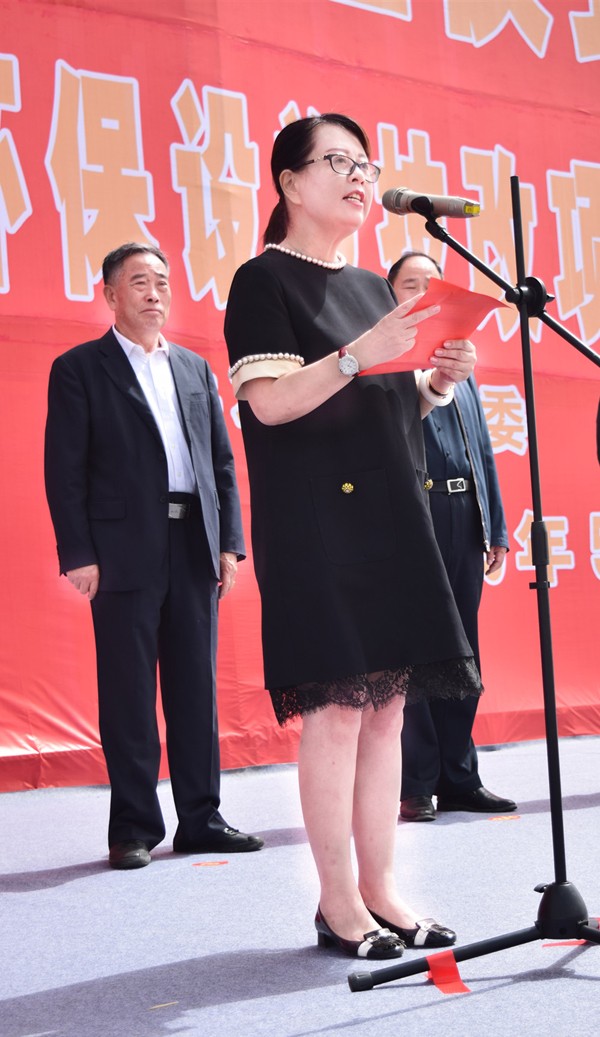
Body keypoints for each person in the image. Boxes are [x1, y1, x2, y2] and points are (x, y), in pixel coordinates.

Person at [224, 114, 482, 960]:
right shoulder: (263, 281)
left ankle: (384, 891)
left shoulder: (375, 285)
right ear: (290, 182)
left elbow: (385, 410)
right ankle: (338, 904)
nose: (360, 178)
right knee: (337, 709)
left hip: (390, 518)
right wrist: (357, 354)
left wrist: (434, 384)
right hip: (317, 525)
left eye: (366, 165)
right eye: (338, 161)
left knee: (388, 710)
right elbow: (270, 404)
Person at [44, 242, 263, 869]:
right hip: (121, 550)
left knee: (196, 689)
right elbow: (64, 469)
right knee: (129, 692)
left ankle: (201, 818)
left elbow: (221, 462)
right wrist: (79, 553)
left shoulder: (194, 368)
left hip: (193, 544)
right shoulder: (80, 368)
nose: (154, 293)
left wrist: (228, 543)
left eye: (162, 282)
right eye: (139, 281)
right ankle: (134, 826)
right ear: (110, 295)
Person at [388, 251, 516, 822]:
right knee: (416, 649)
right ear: (389, 296)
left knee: (464, 651)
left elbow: (481, 450)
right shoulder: (385, 361)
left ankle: (460, 777)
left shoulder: (461, 361)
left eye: (429, 284)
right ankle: (415, 782)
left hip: (464, 516)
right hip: (412, 517)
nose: (422, 293)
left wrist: (495, 526)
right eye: (409, 284)